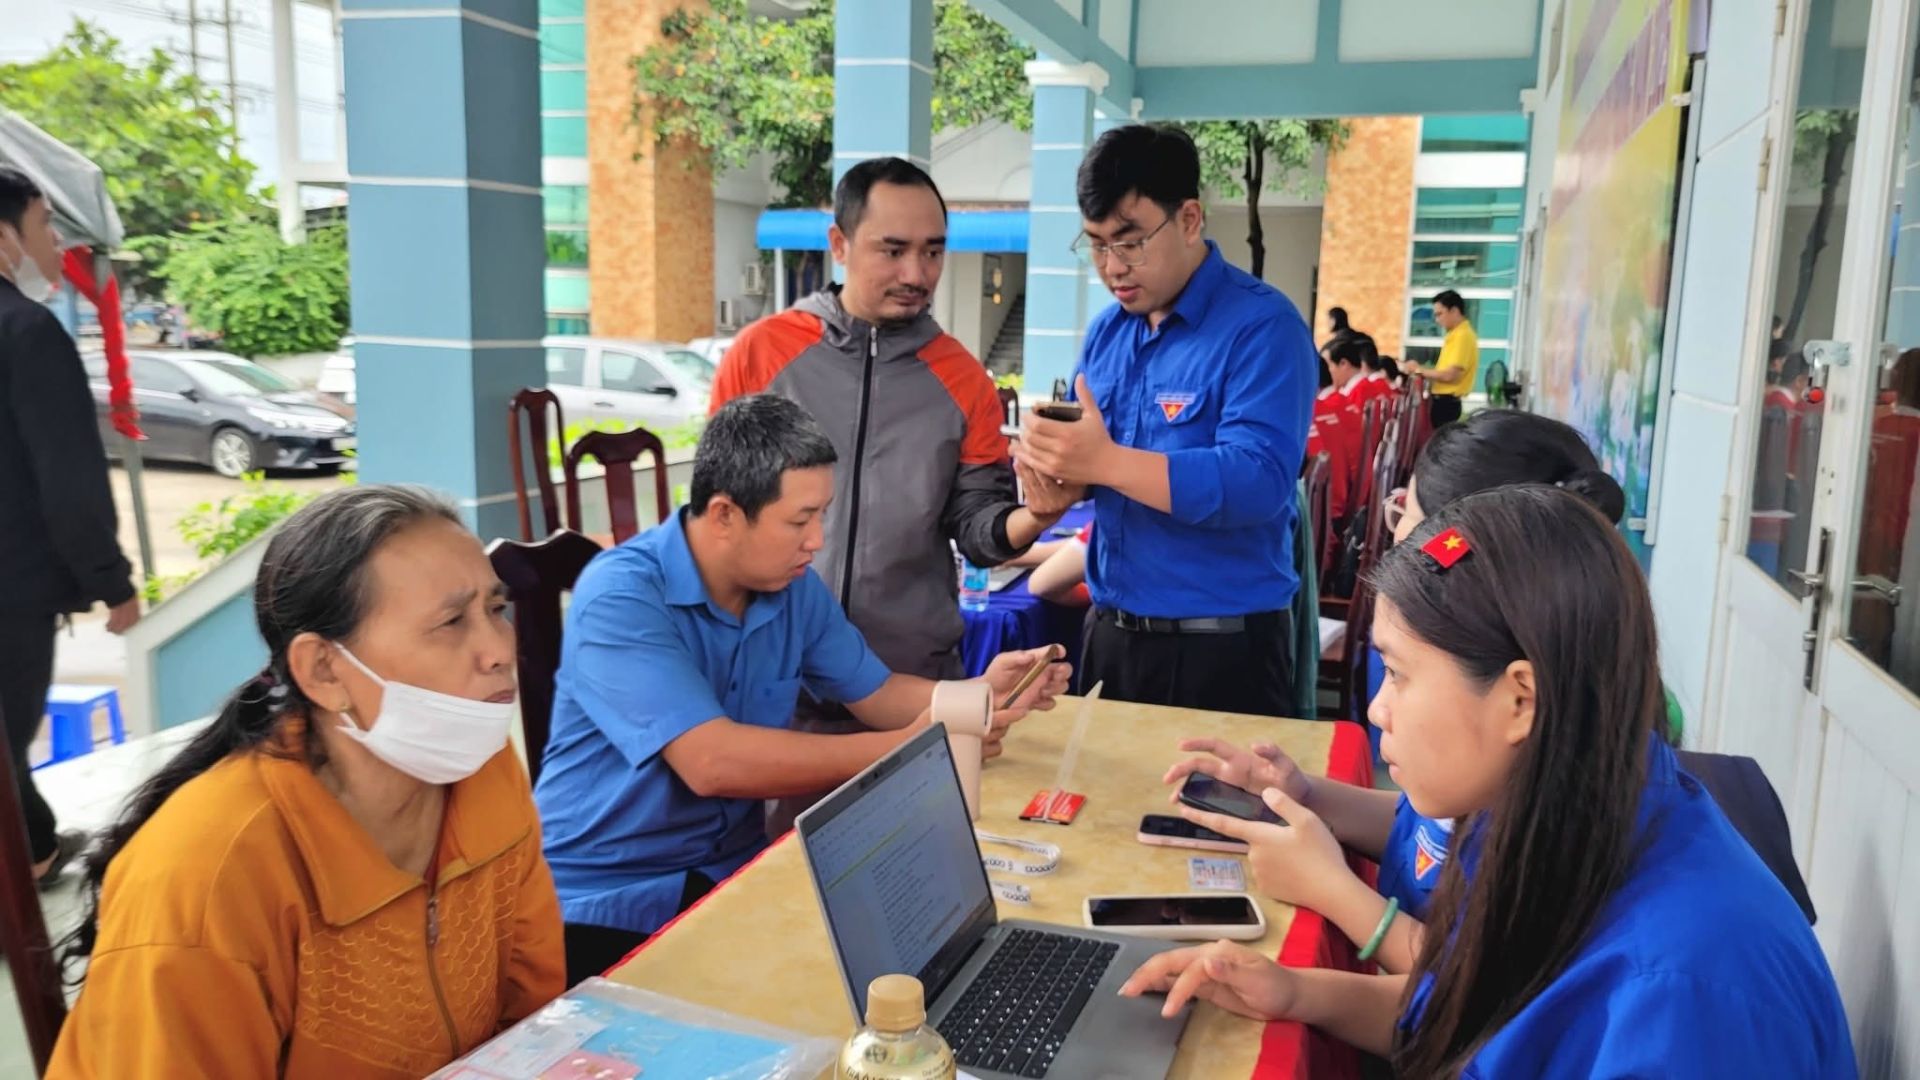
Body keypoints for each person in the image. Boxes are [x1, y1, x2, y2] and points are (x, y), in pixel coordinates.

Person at [1123, 486, 1856, 1076]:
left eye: (1399, 675)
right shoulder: (1554, 798)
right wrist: (1293, 992)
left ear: (1519, 700)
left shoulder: (1683, 1000)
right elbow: (1469, 1015)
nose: (1377, 709)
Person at [535, 395, 1070, 984]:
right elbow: (712, 763)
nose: (817, 540)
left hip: (725, 875)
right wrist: (913, 745)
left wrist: (978, 695)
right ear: (724, 514)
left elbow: (878, 694)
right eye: (800, 520)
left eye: (822, 516)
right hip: (605, 896)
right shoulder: (622, 595)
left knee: (919, 957)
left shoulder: (791, 589)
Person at [48, 486, 564, 1078]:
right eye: (451, 622)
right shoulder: (205, 878)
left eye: (496, 609)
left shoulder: (480, 769)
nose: (500, 649)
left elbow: (535, 1019)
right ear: (324, 671)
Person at [1167, 410, 1626, 972]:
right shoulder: (1519, 740)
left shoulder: (1563, 825)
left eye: (1406, 520)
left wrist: (1332, 890)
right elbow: (1427, 835)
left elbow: (1479, 990)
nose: (1378, 709)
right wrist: (1303, 793)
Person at [710, 158, 1079, 688]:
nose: (916, 274)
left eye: (933, 252)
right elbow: (715, 516)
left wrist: (1038, 515)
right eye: (893, 250)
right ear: (840, 244)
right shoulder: (762, 354)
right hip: (772, 677)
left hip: (908, 676)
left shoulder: (963, 379)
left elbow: (978, 530)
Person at [1016, 124, 1316, 717]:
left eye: (1130, 243)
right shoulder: (1108, 333)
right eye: (1097, 245)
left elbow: (1256, 480)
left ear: (1189, 220)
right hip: (1112, 633)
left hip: (1220, 649)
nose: (1112, 267)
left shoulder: (1263, 328)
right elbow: (1095, 467)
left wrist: (1105, 462)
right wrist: (1056, 470)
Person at [0, 165, 141, 889]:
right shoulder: (27, 333)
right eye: (45, 225)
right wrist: (112, 581)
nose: (58, 244)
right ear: (4, 238)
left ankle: (35, 844)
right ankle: (31, 859)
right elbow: (68, 477)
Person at [1400, 290, 1479, 427]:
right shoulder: (1455, 334)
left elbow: (1450, 375)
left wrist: (1418, 370)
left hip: (1446, 403)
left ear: (1454, 311)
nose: (1437, 320)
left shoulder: (1462, 336)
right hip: (1442, 401)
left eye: (1439, 314)